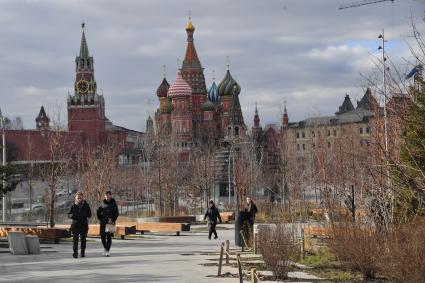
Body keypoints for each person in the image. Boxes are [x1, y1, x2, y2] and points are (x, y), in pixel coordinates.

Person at [68, 191, 92, 258]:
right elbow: (69, 214)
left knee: (83, 239)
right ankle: (75, 253)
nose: (79, 199)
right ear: (75, 198)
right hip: (75, 225)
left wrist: (83, 215)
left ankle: (82, 252)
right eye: (77, 198)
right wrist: (72, 215)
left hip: (83, 225)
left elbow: (90, 214)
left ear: (82, 198)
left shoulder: (86, 205)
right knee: (75, 239)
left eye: (80, 198)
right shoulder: (73, 205)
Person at [97, 191, 119, 257]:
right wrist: (101, 219)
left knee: (109, 237)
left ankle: (107, 251)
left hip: (110, 222)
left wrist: (113, 219)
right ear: (104, 196)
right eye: (106, 195)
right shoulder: (102, 203)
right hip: (103, 222)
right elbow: (98, 212)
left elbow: (116, 213)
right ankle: (105, 248)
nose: (107, 196)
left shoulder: (113, 204)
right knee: (102, 236)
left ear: (110, 195)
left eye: (108, 195)